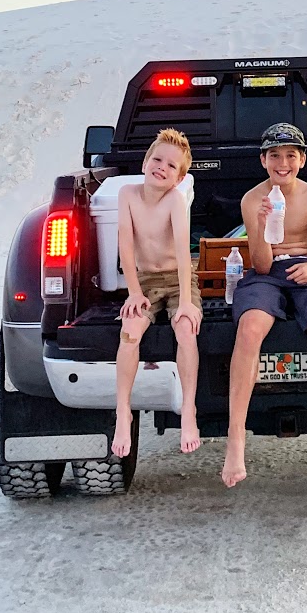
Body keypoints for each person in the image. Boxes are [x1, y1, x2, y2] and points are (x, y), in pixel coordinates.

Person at [223, 123, 307, 487]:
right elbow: (261, 265)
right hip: (266, 275)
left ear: (302, 160)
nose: (283, 163)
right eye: (275, 156)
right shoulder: (252, 199)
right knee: (249, 329)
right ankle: (236, 441)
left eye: (291, 156)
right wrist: (263, 225)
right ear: (263, 160)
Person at [111, 128, 203, 458]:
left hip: (179, 280)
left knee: (185, 330)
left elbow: (182, 252)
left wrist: (188, 304)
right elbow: (125, 244)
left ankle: (188, 410)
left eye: (171, 166)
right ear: (145, 161)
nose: (161, 167)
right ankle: (123, 412)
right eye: (157, 159)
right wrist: (134, 293)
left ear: (179, 178)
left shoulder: (175, 200)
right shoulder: (128, 195)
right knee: (130, 331)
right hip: (146, 280)